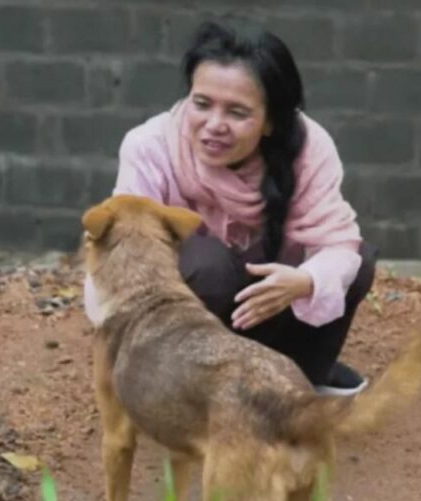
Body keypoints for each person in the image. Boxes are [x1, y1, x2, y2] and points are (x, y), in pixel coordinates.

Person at [90, 18, 378, 396]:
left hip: (271, 303)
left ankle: (301, 377)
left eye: (237, 113)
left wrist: (304, 282)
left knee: (357, 262)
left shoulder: (309, 148)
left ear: (271, 121)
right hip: (185, 323)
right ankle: (187, 392)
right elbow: (123, 252)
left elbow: (338, 244)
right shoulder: (149, 146)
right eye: (202, 104)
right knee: (208, 266)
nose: (213, 125)